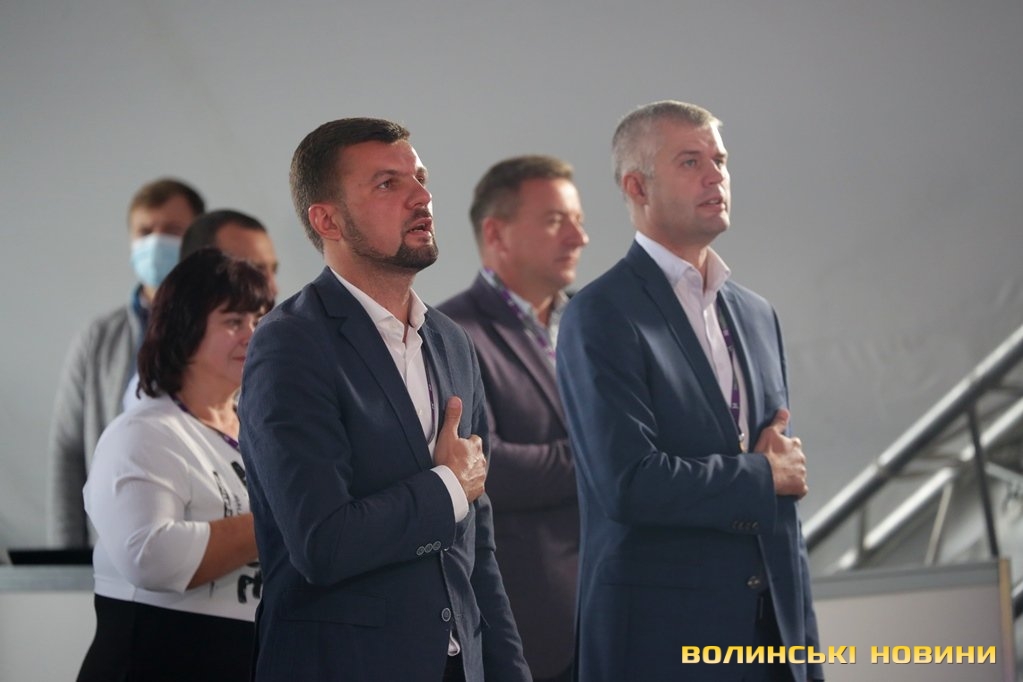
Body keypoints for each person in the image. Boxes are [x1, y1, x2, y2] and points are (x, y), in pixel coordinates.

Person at [238, 117, 530, 682]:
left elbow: (477, 546)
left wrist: (510, 672)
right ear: (327, 220)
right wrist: (448, 486)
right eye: (387, 184)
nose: (421, 197)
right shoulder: (290, 343)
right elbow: (323, 543)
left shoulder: (452, 341)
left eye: (419, 178)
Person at [556, 100, 823, 682]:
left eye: (720, 160)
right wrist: (762, 475)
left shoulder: (756, 314)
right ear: (636, 186)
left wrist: (806, 654)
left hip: (772, 643)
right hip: (661, 644)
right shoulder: (599, 315)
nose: (715, 176)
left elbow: (782, 513)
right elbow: (628, 484)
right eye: (690, 161)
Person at [77, 248, 273, 682]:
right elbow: (150, 556)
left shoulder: (261, 431)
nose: (252, 334)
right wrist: (280, 523)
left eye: (259, 320)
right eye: (233, 321)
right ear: (184, 328)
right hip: (155, 658)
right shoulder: (143, 432)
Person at [437, 155, 587, 682]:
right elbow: (485, 466)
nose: (579, 237)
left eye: (578, 220)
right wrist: (609, 457)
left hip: (616, 610)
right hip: (535, 624)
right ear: (496, 234)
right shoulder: (453, 333)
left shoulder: (591, 324)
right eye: (555, 220)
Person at [48, 178, 205, 548]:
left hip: (207, 545)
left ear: (199, 240)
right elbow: (68, 451)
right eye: (145, 232)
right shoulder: (98, 338)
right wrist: (66, 557)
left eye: (172, 231)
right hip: (112, 548)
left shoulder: (229, 332)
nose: (156, 242)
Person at [121, 208, 281, 411]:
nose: (272, 287)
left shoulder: (268, 373)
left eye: (272, 270)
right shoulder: (153, 409)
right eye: (252, 270)